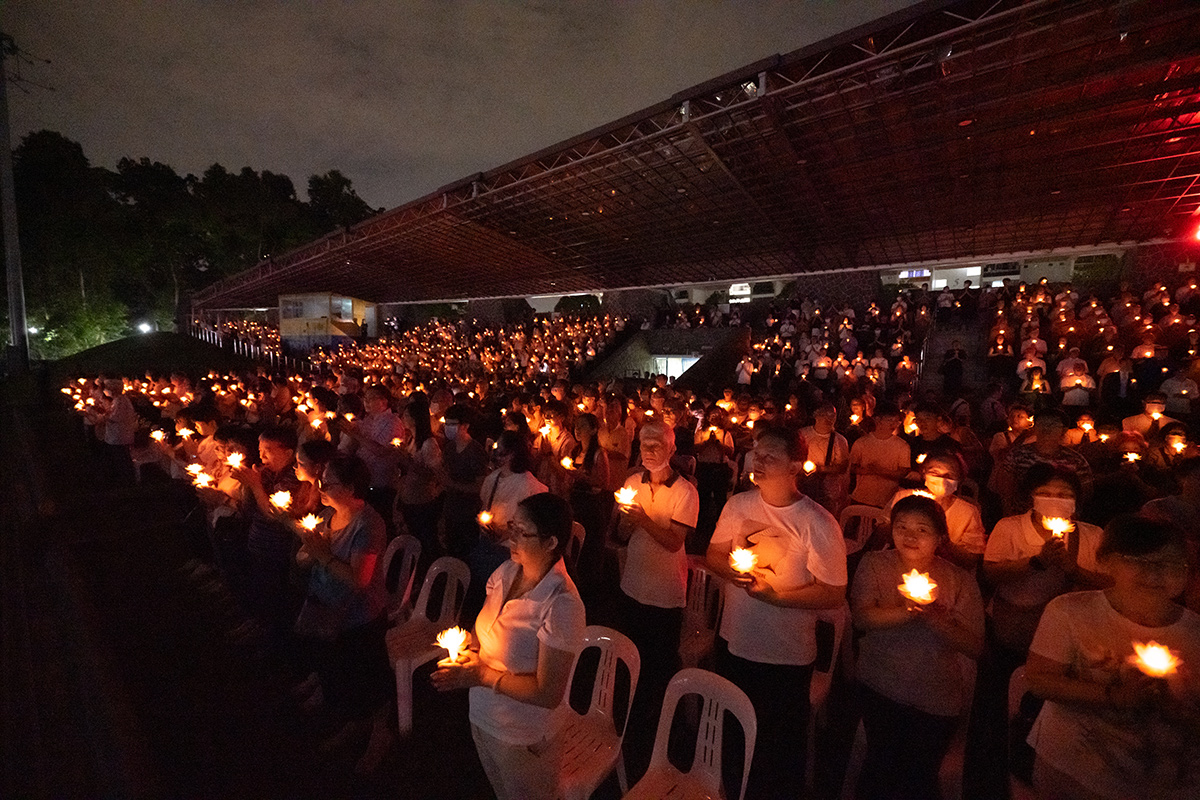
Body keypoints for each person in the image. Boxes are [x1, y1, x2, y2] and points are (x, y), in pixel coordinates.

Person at [706, 425, 847, 799]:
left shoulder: (817, 522)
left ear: (795, 466)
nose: (759, 460)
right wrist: (732, 573)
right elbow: (714, 555)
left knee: (778, 751)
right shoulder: (738, 505)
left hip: (785, 654)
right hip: (734, 640)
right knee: (734, 735)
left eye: (771, 455)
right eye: (757, 453)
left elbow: (833, 593)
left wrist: (777, 598)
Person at [1025, 515, 1200, 799]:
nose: (1154, 573)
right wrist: (1114, 696)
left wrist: (1174, 706)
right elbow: (1039, 680)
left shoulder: (1194, 633)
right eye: (1138, 561)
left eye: (1170, 564)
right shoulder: (1071, 612)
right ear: (1106, 562)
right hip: (1076, 770)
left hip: (1167, 780)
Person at [431, 493, 585, 800]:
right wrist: (468, 649)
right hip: (483, 718)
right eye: (512, 527)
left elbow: (548, 692)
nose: (510, 537)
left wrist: (482, 676)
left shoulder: (562, 604)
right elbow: (487, 630)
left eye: (521, 532)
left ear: (551, 542)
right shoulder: (506, 573)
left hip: (523, 737)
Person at [852, 495, 984, 800]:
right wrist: (908, 611)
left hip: (935, 695)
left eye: (922, 530)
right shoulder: (875, 564)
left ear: (940, 537)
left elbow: (974, 646)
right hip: (881, 684)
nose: (910, 536)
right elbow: (862, 618)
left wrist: (934, 619)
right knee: (879, 766)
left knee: (919, 777)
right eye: (902, 527)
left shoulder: (959, 580)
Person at [291, 455, 392, 773]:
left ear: (350, 488)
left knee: (369, 677)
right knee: (341, 673)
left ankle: (380, 734)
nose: (320, 487)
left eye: (328, 482)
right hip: (326, 607)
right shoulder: (327, 515)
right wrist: (308, 552)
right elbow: (306, 557)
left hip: (360, 616)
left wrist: (322, 555)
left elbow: (360, 581)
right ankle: (354, 723)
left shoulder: (368, 524)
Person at [611, 420, 699, 779]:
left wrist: (643, 519)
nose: (648, 450)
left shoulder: (685, 492)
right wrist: (626, 523)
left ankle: (661, 734)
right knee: (631, 655)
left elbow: (674, 542)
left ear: (671, 449)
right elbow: (619, 534)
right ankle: (628, 719)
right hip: (632, 584)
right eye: (644, 443)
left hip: (665, 592)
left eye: (656, 444)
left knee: (659, 663)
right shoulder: (632, 483)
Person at [887, 451, 986, 571]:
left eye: (949, 475)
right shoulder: (902, 499)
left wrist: (945, 542)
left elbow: (971, 559)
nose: (942, 479)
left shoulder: (968, 512)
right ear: (924, 473)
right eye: (934, 473)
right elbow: (881, 535)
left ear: (960, 478)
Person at [849, 403, 912, 509]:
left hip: (887, 501)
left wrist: (880, 471)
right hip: (861, 498)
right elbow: (851, 467)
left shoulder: (902, 446)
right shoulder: (861, 443)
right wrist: (866, 470)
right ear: (877, 420)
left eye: (896, 421)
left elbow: (903, 472)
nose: (894, 424)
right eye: (890, 420)